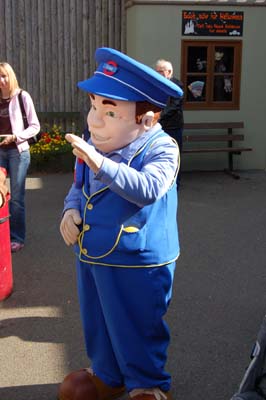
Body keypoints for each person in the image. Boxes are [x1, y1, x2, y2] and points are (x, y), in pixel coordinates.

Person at [59, 47, 183, 400]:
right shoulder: (92, 142)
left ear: (147, 119)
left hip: (138, 259)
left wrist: (100, 162)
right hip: (93, 252)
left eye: (110, 111)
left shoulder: (163, 148)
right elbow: (79, 185)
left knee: (137, 323)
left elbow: (148, 189)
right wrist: (70, 210)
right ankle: (107, 374)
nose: (95, 120)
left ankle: (147, 382)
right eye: (95, 105)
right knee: (98, 319)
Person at [0, 62, 40, 252]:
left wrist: (16, 137)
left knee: (16, 198)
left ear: (10, 76)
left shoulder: (23, 97)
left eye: (3, 76)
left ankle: (17, 237)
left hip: (18, 151)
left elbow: (35, 126)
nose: (1, 80)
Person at [155, 59, 184, 189]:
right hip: (159, 127)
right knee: (158, 156)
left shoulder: (177, 85)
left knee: (174, 157)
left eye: (161, 72)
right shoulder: (156, 84)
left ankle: (174, 185)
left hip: (173, 127)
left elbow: (174, 106)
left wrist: (158, 116)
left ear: (169, 72)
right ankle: (161, 184)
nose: (159, 74)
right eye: (157, 71)